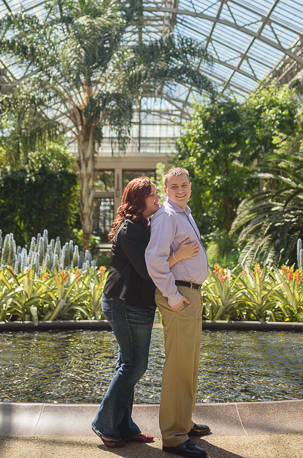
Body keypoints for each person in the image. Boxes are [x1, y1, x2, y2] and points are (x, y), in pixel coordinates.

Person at [92, 177, 200, 448]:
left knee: (128, 364)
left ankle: (124, 427)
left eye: (155, 194)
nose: (157, 199)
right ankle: (105, 424)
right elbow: (146, 269)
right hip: (123, 303)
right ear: (139, 201)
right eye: (152, 196)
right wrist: (181, 255)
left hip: (137, 304)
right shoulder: (130, 229)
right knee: (133, 365)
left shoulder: (146, 225)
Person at [145, 167, 211, 458]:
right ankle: (173, 436)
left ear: (190, 186)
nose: (180, 190)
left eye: (184, 185)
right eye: (174, 187)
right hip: (179, 296)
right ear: (166, 188)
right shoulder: (167, 216)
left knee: (190, 364)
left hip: (190, 294)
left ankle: (184, 422)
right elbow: (154, 260)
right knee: (178, 367)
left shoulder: (184, 212)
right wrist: (172, 297)